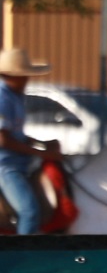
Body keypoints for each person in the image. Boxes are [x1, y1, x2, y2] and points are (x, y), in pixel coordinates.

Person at [0, 47, 59, 235]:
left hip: (18, 162)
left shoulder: (15, 96)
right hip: (5, 165)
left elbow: (14, 134)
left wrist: (41, 143)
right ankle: (21, 257)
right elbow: (3, 139)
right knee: (29, 211)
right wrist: (43, 153)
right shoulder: (2, 97)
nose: (27, 79)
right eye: (22, 75)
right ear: (10, 76)